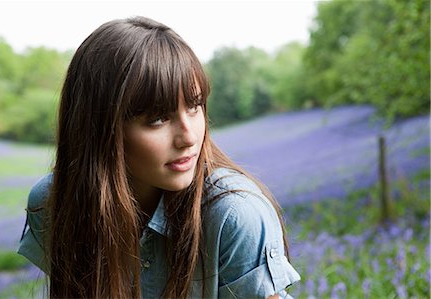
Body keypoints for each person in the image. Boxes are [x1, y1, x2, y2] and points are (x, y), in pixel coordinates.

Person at [18, 16, 300, 299]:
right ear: (100, 129)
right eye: (158, 118)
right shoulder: (54, 202)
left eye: (195, 106)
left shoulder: (234, 216)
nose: (189, 138)